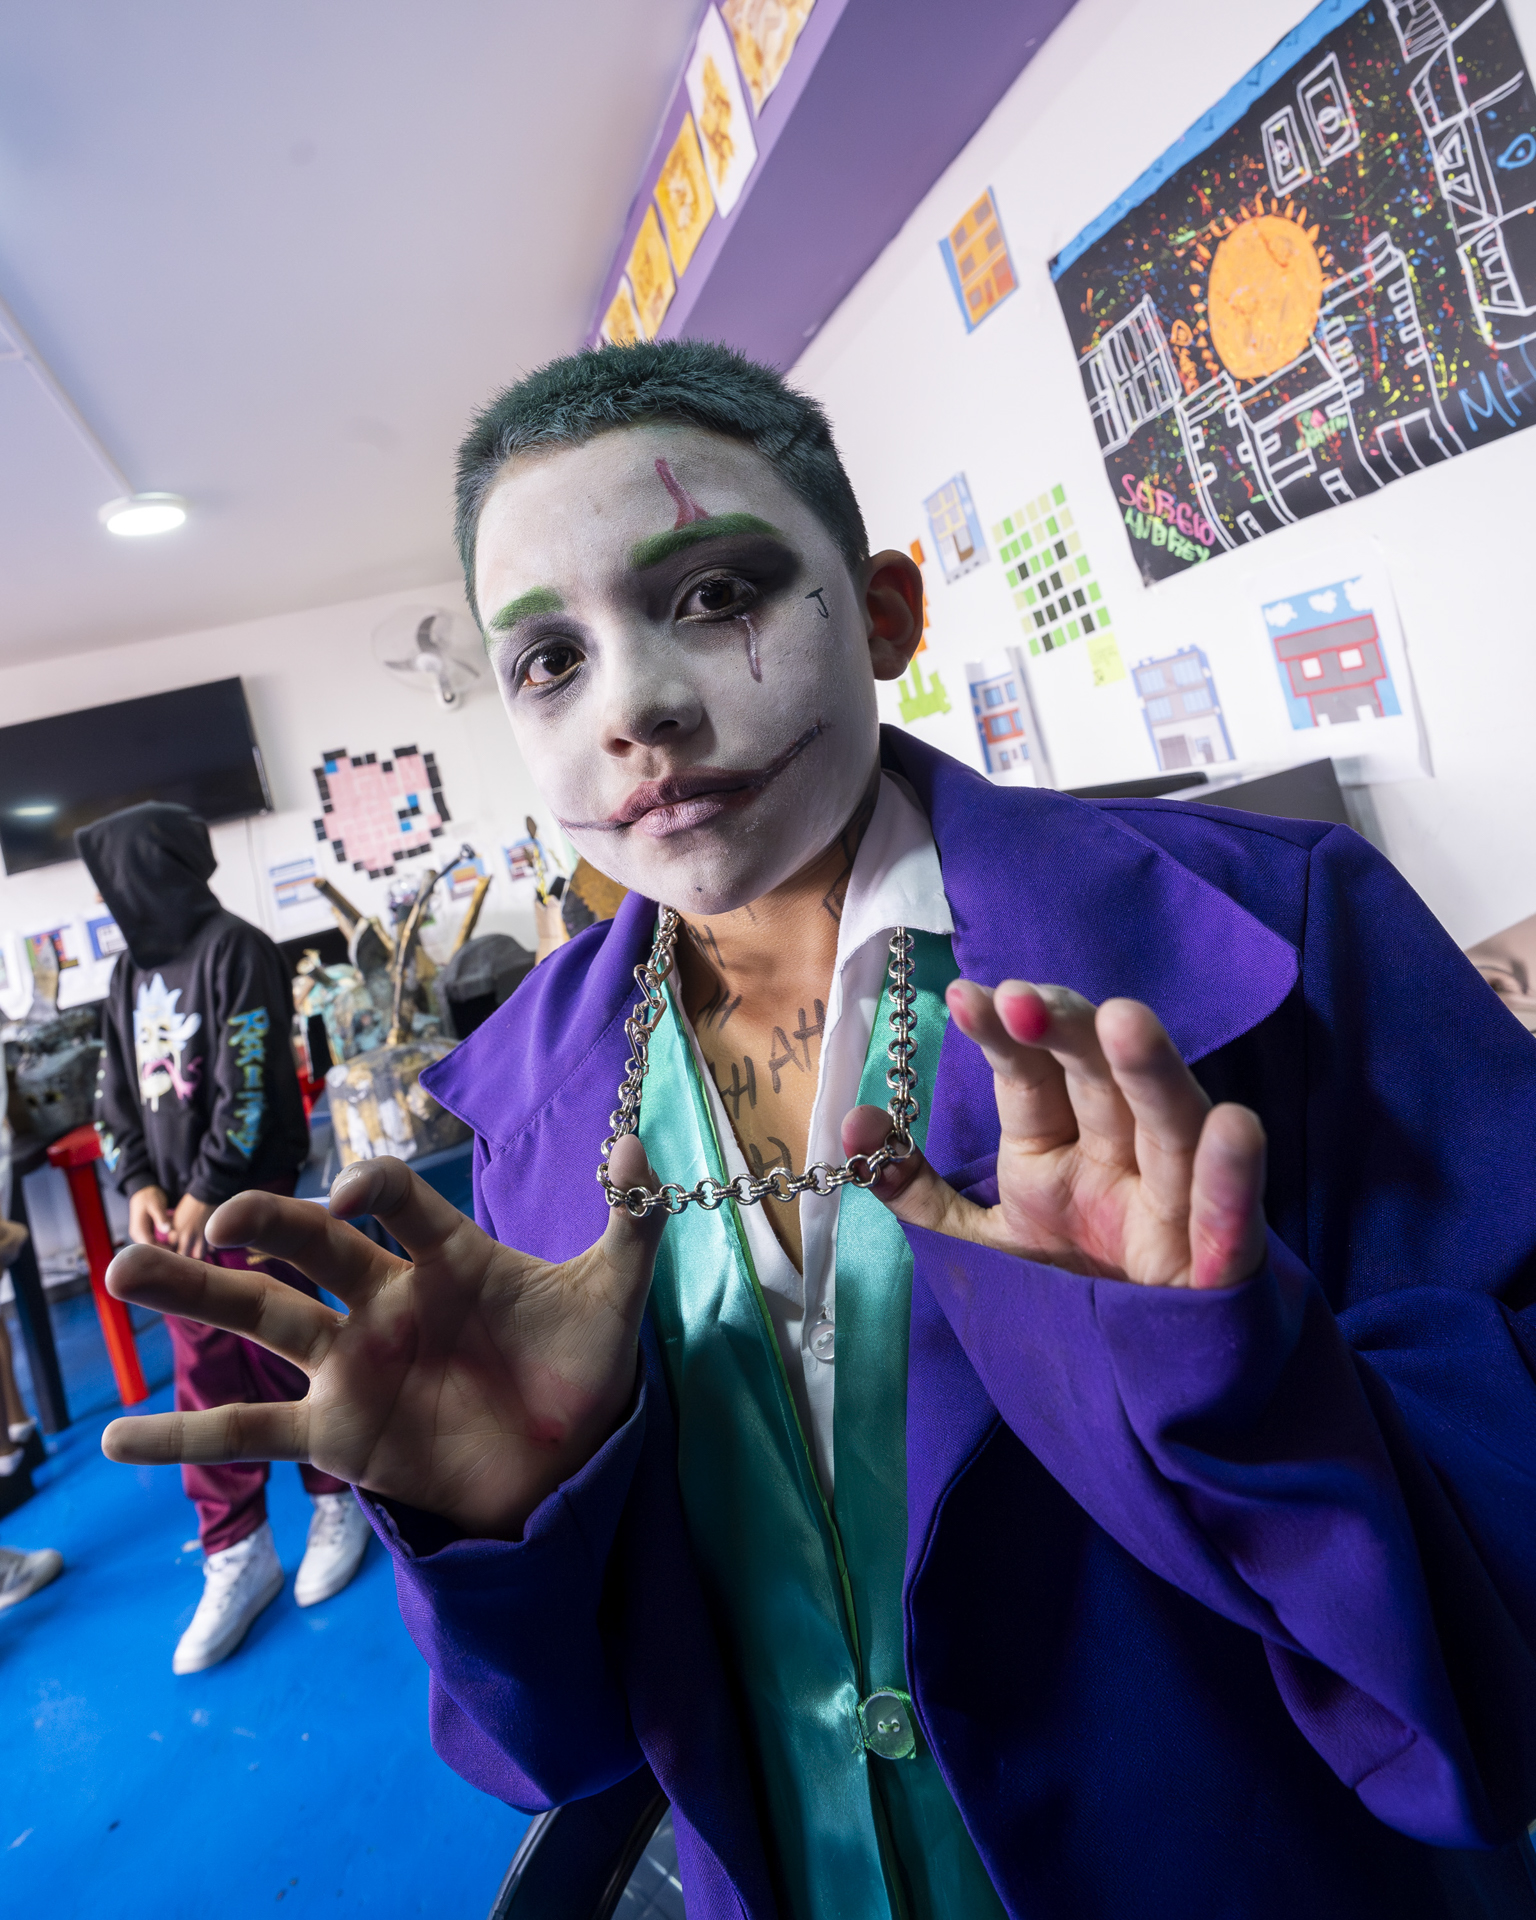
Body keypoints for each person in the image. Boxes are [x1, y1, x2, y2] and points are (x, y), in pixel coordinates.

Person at [101, 344, 1536, 1916]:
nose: (636, 709)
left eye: (716, 594)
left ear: (884, 614)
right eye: (550, 662)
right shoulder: (528, 1116)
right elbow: (562, 1746)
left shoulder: (1281, 938)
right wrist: (499, 1529)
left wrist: (1234, 1382)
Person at [79, 803, 370, 1673]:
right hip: (174, 1222)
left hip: (246, 1204)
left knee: (291, 1352)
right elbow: (113, 1092)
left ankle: (338, 1495)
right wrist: (139, 1184)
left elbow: (250, 1082)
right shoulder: (127, 973)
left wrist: (205, 1190)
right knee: (202, 1381)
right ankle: (237, 1548)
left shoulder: (237, 948)